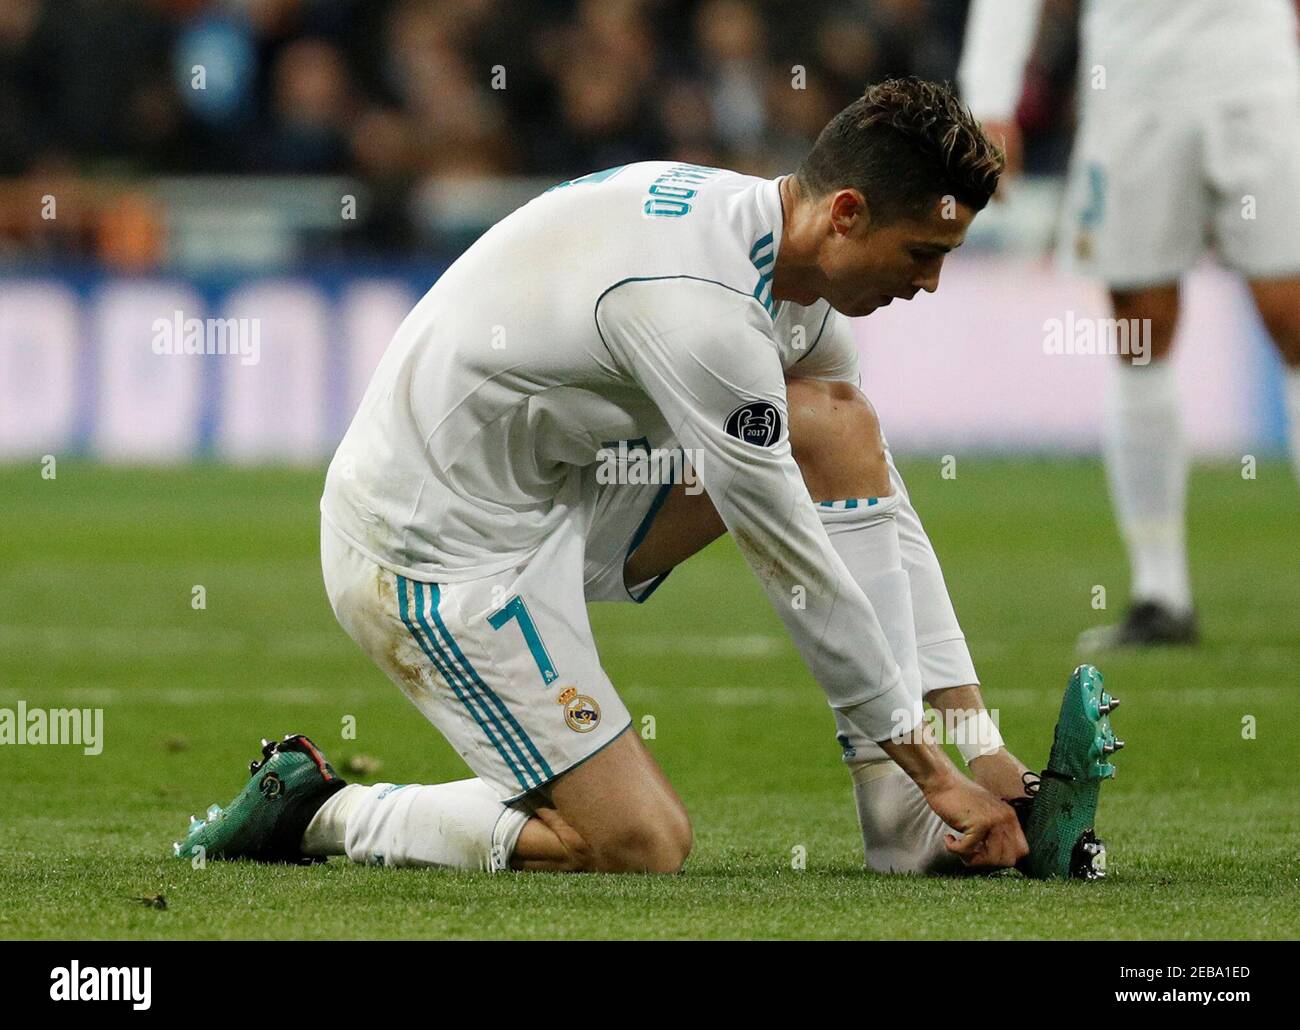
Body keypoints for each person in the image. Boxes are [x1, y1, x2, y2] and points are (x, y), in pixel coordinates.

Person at [176, 79, 1117, 879]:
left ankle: (896, 825)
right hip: (431, 549)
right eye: (923, 255)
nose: (931, 286)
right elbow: (795, 558)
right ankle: (317, 813)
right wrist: (934, 765)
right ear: (847, 214)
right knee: (635, 845)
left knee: (834, 426)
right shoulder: (699, 310)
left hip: (565, 491)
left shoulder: (784, 272)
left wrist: (975, 741)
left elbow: (876, 504)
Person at [960, 0, 1300, 649]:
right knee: (1139, 328)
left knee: (1293, 317)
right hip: (1131, 84)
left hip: (1256, 75)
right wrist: (989, 96)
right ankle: (1160, 592)